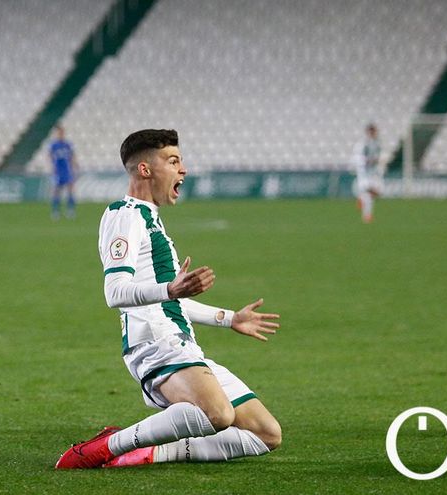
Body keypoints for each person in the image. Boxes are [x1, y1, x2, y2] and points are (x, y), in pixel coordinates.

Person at [55, 129, 282, 469]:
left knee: (265, 433)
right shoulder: (125, 214)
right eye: (173, 161)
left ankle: (149, 453)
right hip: (154, 342)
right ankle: (108, 445)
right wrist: (169, 290)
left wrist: (229, 318)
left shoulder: (151, 219)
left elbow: (169, 300)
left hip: (182, 342)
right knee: (217, 414)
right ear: (145, 169)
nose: (183, 170)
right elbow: (114, 292)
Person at [352, 123, 383, 223]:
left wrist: (375, 161)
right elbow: (359, 158)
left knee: (375, 193)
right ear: (368, 132)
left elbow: (377, 157)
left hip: (373, 172)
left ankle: (361, 199)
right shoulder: (363, 144)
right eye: (372, 131)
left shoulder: (377, 143)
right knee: (368, 193)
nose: (374, 133)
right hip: (364, 172)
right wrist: (366, 161)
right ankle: (367, 216)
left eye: (374, 131)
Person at [48, 125, 78, 220]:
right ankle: (55, 211)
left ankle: (70, 210)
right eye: (59, 133)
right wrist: (52, 167)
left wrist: (75, 165)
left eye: (61, 132)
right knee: (56, 191)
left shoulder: (67, 144)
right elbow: (50, 156)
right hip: (58, 171)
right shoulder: (54, 145)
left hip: (67, 170)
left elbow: (72, 156)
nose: (60, 134)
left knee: (70, 189)